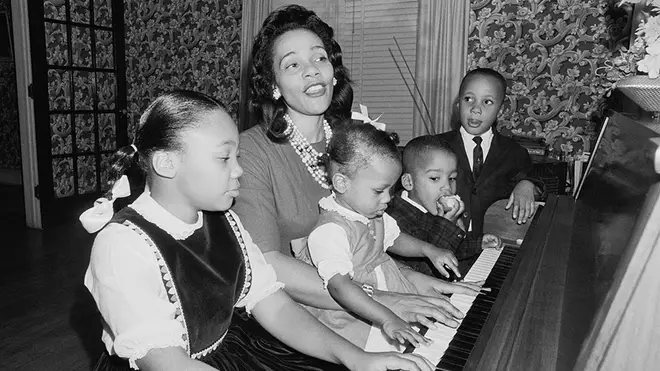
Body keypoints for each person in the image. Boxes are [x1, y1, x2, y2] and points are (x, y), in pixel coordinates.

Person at [81, 90, 433, 371]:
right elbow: (165, 361)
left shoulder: (226, 221)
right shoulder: (122, 246)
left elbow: (275, 306)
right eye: (225, 158)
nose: (239, 171)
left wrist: (356, 357)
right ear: (167, 163)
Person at [233, 4, 483, 332]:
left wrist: (416, 283)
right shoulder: (250, 151)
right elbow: (267, 263)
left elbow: (368, 247)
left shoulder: (351, 142)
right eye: (292, 64)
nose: (312, 70)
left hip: (365, 301)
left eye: (319, 58)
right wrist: (381, 299)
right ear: (273, 85)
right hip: (294, 320)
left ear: (333, 73)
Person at [296, 123, 469, 352]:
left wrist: (428, 250)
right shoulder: (330, 231)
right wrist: (387, 318)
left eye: (391, 189)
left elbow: (395, 239)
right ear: (341, 183)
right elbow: (339, 288)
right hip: (357, 312)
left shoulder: (372, 212)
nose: (388, 198)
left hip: (386, 293)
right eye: (379, 191)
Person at [436, 68, 543, 237]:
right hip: (443, 242)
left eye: (487, 102)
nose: (475, 109)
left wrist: (527, 184)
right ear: (458, 104)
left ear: (500, 110)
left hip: (491, 243)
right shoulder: (436, 146)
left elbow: (534, 180)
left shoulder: (515, 152)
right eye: (469, 99)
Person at [387, 135, 502, 278]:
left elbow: (452, 248)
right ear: (409, 182)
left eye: (452, 178)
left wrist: (477, 243)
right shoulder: (394, 218)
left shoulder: (430, 206)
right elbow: (426, 270)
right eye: (435, 178)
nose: (447, 187)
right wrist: (447, 224)